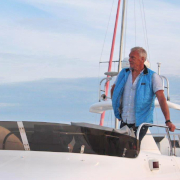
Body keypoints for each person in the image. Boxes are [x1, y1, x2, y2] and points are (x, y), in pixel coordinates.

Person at [111, 47, 176, 142]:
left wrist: (168, 120)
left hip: (141, 123)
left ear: (142, 59)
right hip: (124, 121)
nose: (129, 59)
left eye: (132, 57)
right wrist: (117, 108)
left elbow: (161, 99)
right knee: (122, 149)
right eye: (129, 57)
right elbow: (114, 89)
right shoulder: (123, 73)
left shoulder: (153, 77)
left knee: (131, 148)